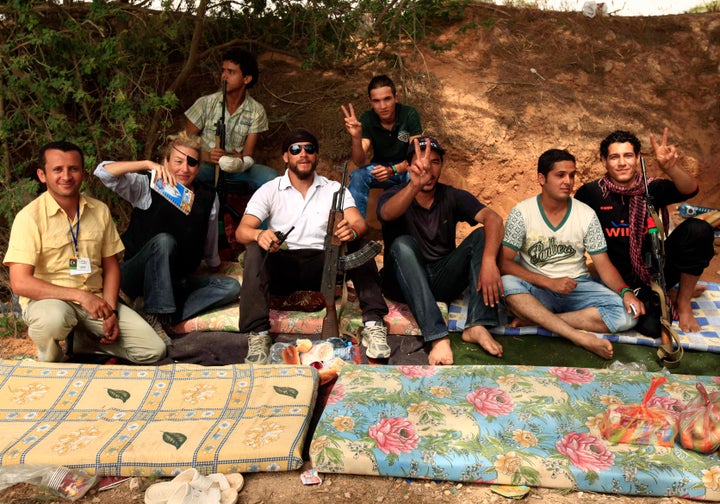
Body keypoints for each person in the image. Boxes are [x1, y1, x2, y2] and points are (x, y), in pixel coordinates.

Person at [235, 128, 390, 364]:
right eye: (295, 149)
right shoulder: (269, 189)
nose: (303, 154)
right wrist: (259, 235)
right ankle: (258, 334)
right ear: (286, 157)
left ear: (316, 156)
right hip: (283, 266)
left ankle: (374, 324)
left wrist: (352, 230)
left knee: (361, 243)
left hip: (325, 265)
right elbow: (242, 231)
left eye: (309, 149)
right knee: (255, 249)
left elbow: (359, 222)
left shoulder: (333, 189)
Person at [4, 141, 166, 363]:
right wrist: (80, 296)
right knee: (54, 319)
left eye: (73, 169)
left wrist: (110, 311)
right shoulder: (29, 217)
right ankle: (51, 357)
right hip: (50, 303)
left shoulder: (99, 211)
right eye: (57, 170)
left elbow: (111, 267)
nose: (66, 176)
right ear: (42, 175)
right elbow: (20, 283)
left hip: (96, 302)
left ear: (83, 172)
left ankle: (84, 343)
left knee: (153, 350)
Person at [94, 132, 241, 340]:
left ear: (198, 167)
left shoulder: (207, 196)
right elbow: (103, 173)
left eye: (192, 163)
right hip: (136, 276)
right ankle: (157, 312)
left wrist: (215, 264)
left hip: (173, 280)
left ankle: (160, 316)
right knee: (164, 241)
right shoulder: (148, 184)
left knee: (230, 287)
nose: (184, 169)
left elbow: (209, 239)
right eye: (178, 161)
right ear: (165, 162)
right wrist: (147, 164)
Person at [500, 148, 642, 360]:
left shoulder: (586, 214)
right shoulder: (522, 212)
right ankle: (578, 337)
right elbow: (504, 262)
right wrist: (548, 282)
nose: (568, 181)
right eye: (560, 175)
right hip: (538, 290)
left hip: (577, 288)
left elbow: (603, 266)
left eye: (572, 175)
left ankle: (539, 321)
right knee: (506, 283)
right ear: (542, 178)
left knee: (627, 316)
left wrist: (626, 292)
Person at [377, 136, 505, 366]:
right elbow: (386, 214)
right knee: (402, 244)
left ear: (442, 165)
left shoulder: (452, 195)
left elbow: (493, 218)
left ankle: (477, 324)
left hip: (441, 280)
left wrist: (488, 261)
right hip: (402, 283)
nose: (428, 168)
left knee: (483, 235)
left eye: (435, 162)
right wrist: (413, 184)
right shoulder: (394, 193)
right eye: (420, 162)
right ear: (408, 166)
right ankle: (437, 337)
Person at [575, 128, 715, 335]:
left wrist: (671, 167)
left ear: (638, 157)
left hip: (658, 268)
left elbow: (690, 188)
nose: (622, 163)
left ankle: (683, 303)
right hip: (621, 278)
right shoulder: (591, 193)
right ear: (604, 161)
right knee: (652, 328)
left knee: (699, 230)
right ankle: (667, 295)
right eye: (614, 157)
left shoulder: (651, 188)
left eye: (628, 155)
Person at [185, 48, 277, 189]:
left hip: (236, 170)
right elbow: (183, 143)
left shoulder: (256, 111)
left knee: (271, 178)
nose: (224, 76)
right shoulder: (205, 103)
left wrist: (241, 162)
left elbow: (248, 154)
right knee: (182, 170)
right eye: (223, 71)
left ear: (246, 79)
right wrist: (208, 156)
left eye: (231, 72)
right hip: (205, 166)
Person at [341, 74, 423, 218]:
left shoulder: (409, 114)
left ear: (396, 97)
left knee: (417, 174)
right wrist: (356, 137)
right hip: (381, 169)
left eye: (387, 99)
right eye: (376, 101)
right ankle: (356, 228)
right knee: (358, 175)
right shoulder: (367, 119)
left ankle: (417, 227)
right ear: (370, 102)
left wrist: (394, 169)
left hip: (406, 167)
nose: (383, 106)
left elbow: (417, 156)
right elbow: (359, 161)